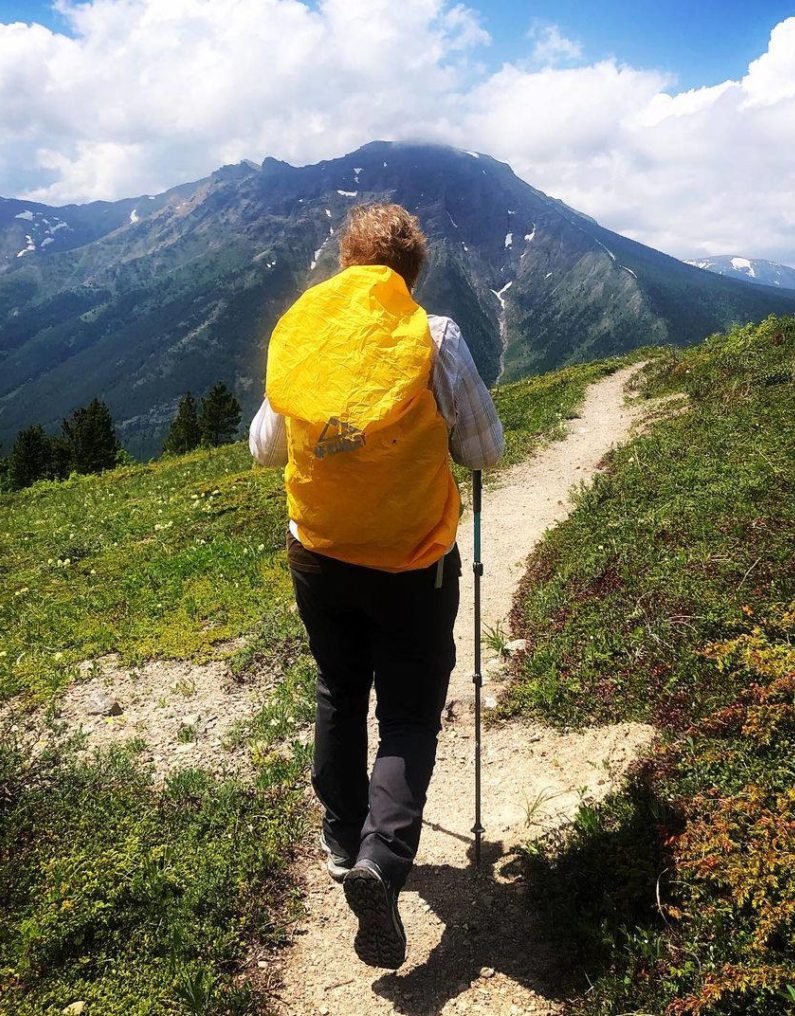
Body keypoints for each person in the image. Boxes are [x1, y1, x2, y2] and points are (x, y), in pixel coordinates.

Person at [249, 202, 503, 969]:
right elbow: (484, 451)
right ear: (412, 274)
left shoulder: (305, 336)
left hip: (318, 556)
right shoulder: (436, 336)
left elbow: (265, 446)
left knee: (338, 687)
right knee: (409, 714)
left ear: (345, 263)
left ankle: (339, 834)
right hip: (410, 565)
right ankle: (381, 863)